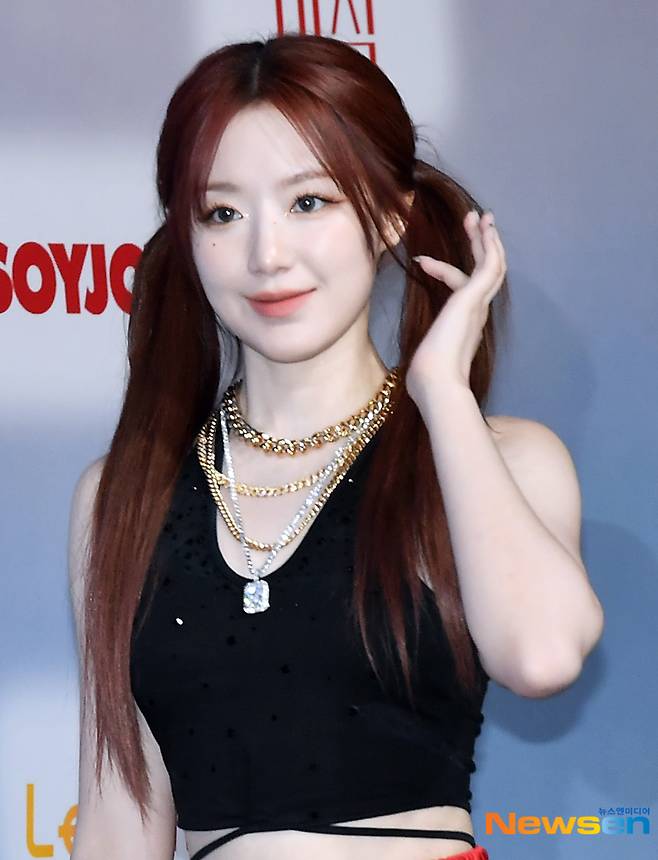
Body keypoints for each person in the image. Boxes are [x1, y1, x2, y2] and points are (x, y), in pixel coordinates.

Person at [67, 32, 604, 860]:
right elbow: (118, 819)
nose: (266, 254)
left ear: (387, 215)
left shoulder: (497, 457)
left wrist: (442, 394)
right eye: (222, 213)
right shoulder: (122, 499)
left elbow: (541, 655)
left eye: (309, 202)